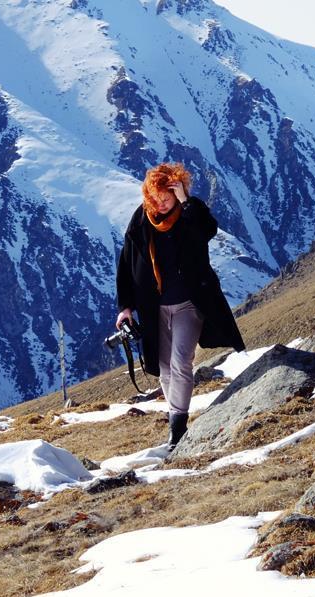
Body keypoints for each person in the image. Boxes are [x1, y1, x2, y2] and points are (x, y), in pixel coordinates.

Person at [116, 163, 245, 451]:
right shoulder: (140, 221)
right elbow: (126, 263)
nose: (162, 205)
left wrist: (187, 202)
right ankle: (175, 420)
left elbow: (207, 230)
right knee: (163, 368)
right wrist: (125, 307)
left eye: (168, 198)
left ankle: (178, 428)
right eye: (157, 199)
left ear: (178, 193)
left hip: (190, 303)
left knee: (181, 360)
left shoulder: (190, 214)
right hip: (155, 308)